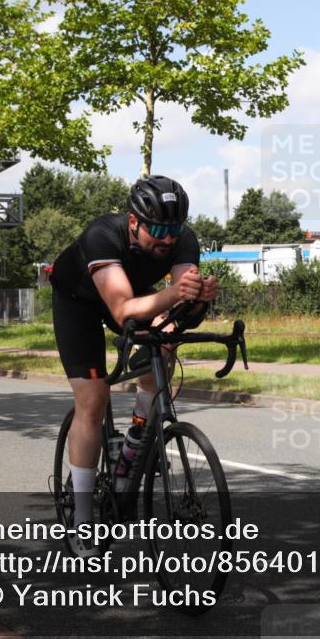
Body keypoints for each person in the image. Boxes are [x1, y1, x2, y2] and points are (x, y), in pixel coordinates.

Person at [50, 175, 218, 553]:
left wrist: (198, 301)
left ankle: (133, 444)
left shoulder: (183, 240)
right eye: (157, 229)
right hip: (79, 302)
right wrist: (175, 294)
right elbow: (123, 308)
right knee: (93, 399)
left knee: (166, 340)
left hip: (137, 296)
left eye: (173, 230)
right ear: (132, 222)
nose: (167, 239)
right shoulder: (102, 236)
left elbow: (178, 308)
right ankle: (82, 519)